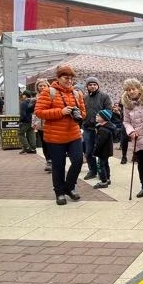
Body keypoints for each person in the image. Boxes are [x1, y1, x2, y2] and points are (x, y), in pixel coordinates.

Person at [34, 65, 87, 206]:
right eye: (66, 78)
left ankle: (69, 187)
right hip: (55, 137)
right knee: (58, 165)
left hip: (73, 134)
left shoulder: (77, 94)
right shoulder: (48, 92)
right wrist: (60, 112)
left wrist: (78, 114)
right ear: (58, 78)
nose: (69, 81)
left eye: (71, 78)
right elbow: (39, 112)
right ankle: (59, 192)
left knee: (77, 160)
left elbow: (83, 113)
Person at [82, 77, 112, 181]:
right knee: (89, 151)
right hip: (88, 128)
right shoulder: (84, 98)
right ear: (87, 86)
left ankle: (103, 172)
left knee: (101, 151)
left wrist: (98, 121)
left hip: (101, 129)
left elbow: (109, 111)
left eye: (94, 84)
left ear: (98, 85)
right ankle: (92, 170)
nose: (92, 86)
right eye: (90, 85)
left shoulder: (104, 96)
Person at [32, 79, 52, 171]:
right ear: (37, 88)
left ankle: (53, 160)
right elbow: (33, 113)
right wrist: (34, 123)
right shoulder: (35, 98)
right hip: (40, 124)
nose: (42, 87)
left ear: (48, 86)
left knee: (51, 142)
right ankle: (48, 160)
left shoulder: (52, 96)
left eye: (44, 85)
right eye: (40, 86)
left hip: (50, 123)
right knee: (44, 143)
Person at [93, 109, 114, 189]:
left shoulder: (103, 130)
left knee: (100, 165)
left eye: (98, 116)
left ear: (103, 118)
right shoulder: (106, 127)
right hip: (107, 151)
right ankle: (108, 179)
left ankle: (103, 181)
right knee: (106, 164)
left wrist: (95, 151)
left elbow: (100, 143)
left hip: (102, 151)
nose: (96, 116)